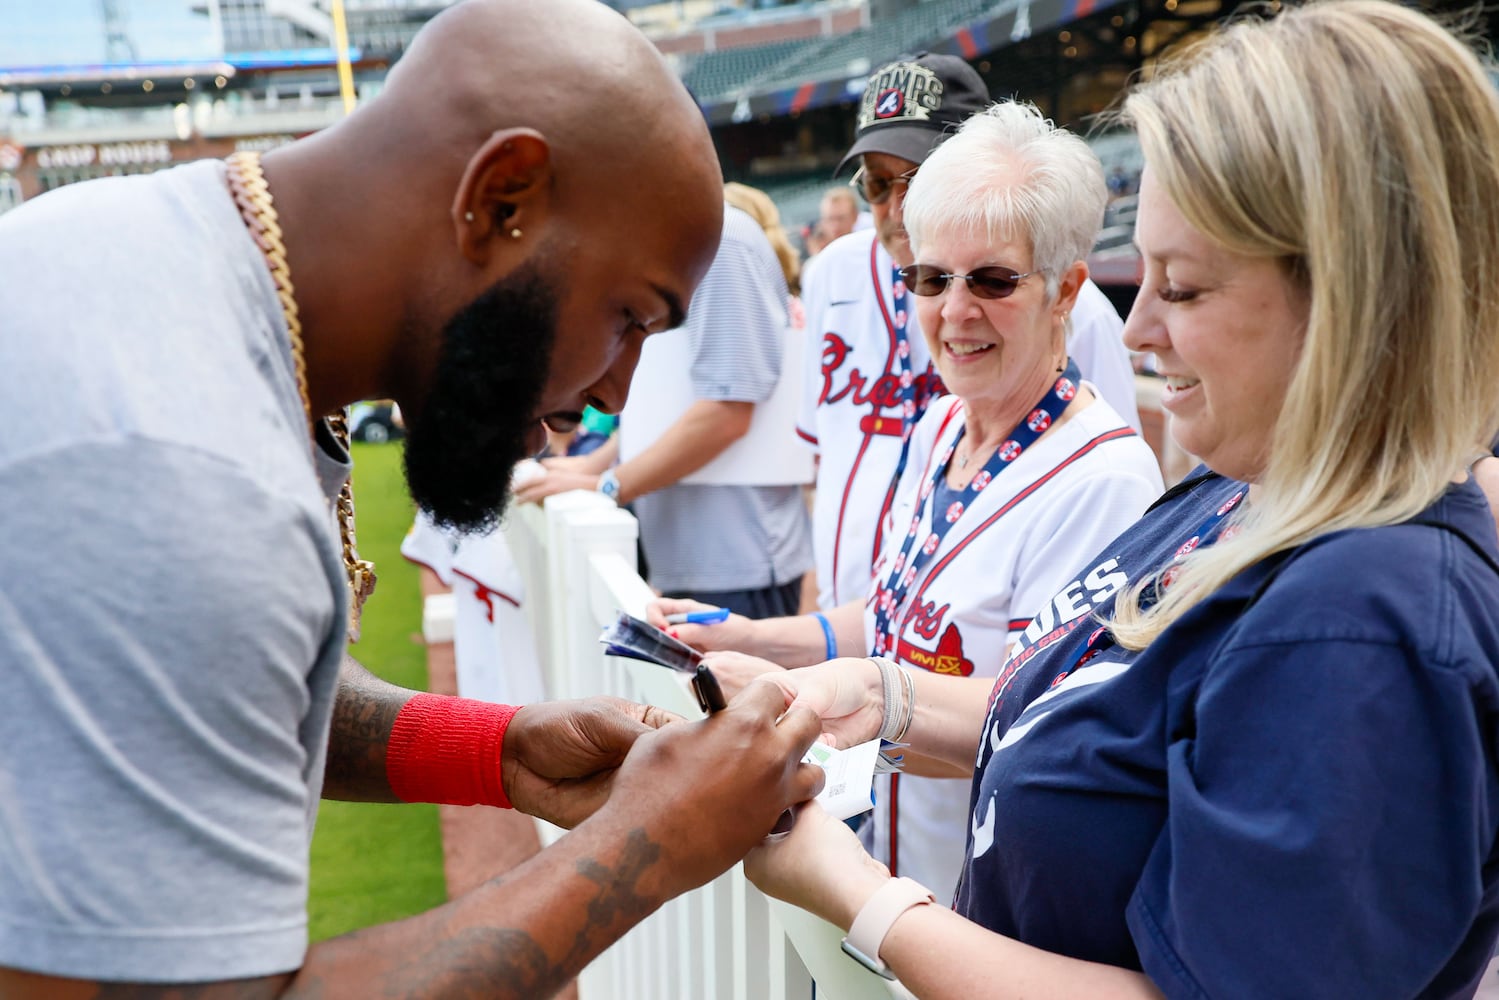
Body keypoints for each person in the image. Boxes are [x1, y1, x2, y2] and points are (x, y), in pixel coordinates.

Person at [0, 1, 827, 996]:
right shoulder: (188, 470)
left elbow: (218, 678)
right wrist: (643, 846)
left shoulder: (164, 263)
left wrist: (498, 747)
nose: (616, 392)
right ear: (501, 200)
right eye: (628, 317)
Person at [740, 2, 1499, 996]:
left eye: (1179, 288)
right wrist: (877, 694)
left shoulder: (1357, 625)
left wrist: (859, 898)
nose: (1133, 330)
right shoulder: (1242, 489)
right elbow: (1098, 740)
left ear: (1347, 296)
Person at [651, 101, 1163, 903]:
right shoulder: (938, 427)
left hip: (979, 901)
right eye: (930, 278)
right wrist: (756, 635)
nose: (955, 311)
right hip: (876, 863)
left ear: (1064, 290)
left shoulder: (1105, 480)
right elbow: (893, 618)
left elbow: (1042, 726)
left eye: (993, 279)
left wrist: (864, 693)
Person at [798, 52, 1141, 612]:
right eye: (876, 185)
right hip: (862, 627)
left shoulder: (1077, 312)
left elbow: (1108, 528)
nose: (895, 206)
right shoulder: (830, 275)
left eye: (917, 177)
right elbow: (826, 467)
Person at [517, 195, 814, 619]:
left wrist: (607, 484)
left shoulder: (718, 241)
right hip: (704, 554)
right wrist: (592, 468)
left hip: (739, 559)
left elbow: (727, 412)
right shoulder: (679, 239)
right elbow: (670, 402)